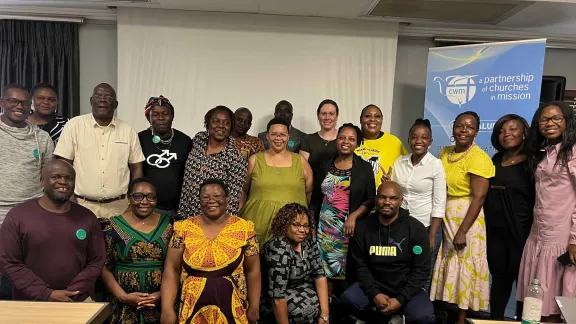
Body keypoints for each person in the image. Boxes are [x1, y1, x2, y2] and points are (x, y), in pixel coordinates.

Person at [0, 160, 105, 301]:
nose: (63, 181)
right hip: (30, 302)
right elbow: (8, 262)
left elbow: (97, 260)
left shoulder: (87, 217)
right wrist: (45, 294)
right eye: (56, 177)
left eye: (69, 178)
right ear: (42, 181)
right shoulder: (18, 215)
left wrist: (73, 291)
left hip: (77, 300)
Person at [160, 179, 260, 324]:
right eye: (205, 197)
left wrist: (254, 306)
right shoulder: (184, 228)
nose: (211, 201)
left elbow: (253, 270)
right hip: (191, 306)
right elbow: (171, 269)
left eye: (218, 196)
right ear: (199, 200)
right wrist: (167, 309)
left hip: (234, 306)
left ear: (227, 199)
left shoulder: (245, 229)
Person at [430, 111, 494, 324]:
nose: (463, 130)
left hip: (468, 217)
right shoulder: (445, 153)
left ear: (476, 131)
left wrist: (463, 231)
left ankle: (462, 317)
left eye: (469, 127)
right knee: (451, 264)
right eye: (459, 125)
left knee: (466, 265)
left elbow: (479, 196)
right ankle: (447, 312)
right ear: (453, 127)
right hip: (446, 215)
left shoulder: (479, 158)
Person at [342, 182, 434, 324]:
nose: (387, 202)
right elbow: (360, 265)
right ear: (376, 199)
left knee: (423, 316)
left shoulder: (416, 228)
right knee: (349, 299)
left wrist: (400, 299)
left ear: (401, 200)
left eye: (393, 198)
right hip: (374, 286)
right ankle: (380, 316)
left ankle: (397, 313)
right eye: (382, 197)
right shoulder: (363, 227)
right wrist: (374, 294)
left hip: (404, 288)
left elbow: (421, 270)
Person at [517, 102, 576, 321]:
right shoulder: (546, 152)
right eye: (544, 119)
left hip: (562, 237)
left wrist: (574, 239)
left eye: (556, 118)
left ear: (567, 122)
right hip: (539, 233)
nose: (549, 123)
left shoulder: (573, 151)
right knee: (537, 303)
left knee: (558, 303)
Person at [54, 83, 145, 219]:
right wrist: (70, 199)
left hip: (119, 207)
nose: (102, 99)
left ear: (115, 104)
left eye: (108, 97)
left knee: (117, 241)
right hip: (81, 204)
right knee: (83, 240)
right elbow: (63, 166)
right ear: (91, 101)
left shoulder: (128, 131)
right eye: (98, 96)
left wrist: (133, 202)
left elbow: (137, 168)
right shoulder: (74, 126)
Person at [101, 177, 173, 324]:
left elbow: (176, 267)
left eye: (150, 197)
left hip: (161, 305)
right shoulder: (111, 226)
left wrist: (163, 295)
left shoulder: (171, 224)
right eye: (138, 196)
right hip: (123, 308)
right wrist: (122, 297)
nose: (144, 202)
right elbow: (104, 268)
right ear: (129, 198)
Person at [483, 114, 533, 320]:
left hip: (522, 233)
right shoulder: (495, 160)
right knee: (499, 281)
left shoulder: (534, 161)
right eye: (502, 131)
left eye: (513, 129)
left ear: (524, 133)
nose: (507, 134)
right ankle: (495, 319)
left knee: (522, 284)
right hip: (495, 232)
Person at [314, 123, 375, 282]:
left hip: (348, 230)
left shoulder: (364, 168)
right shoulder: (325, 164)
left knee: (345, 275)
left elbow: (371, 199)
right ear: (336, 140)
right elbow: (315, 197)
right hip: (324, 230)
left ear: (357, 143)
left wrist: (353, 216)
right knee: (323, 273)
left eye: (351, 139)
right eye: (342, 137)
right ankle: (325, 303)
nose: (345, 142)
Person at [391, 118, 446, 291]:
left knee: (422, 272)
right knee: (400, 268)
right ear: (409, 140)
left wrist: (432, 235)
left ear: (430, 141)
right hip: (401, 226)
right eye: (414, 137)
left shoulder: (436, 165)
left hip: (425, 227)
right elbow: (393, 193)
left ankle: (418, 311)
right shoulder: (399, 162)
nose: (418, 141)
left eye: (424, 137)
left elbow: (439, 203)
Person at [240, 117, 313, 245]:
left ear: (288, 136)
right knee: (257, 263)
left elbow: (309, 192)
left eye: (282, 135)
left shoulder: (301, 161)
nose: (278, 138)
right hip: (257, 226)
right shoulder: (255, 160)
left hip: (293, 228)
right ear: (267, 136)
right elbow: (243, 190)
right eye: (274, 134)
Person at [261, 203, 330, 324]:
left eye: (306, 226)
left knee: (327, 300)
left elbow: (319, 274)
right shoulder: (279, 248)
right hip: (273, 298)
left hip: (300, 289)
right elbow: (277, 296)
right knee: (303, 310)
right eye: (296, 225)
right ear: (285, 225)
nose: (302, 230)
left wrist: (324, 315)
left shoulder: (308, 242)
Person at [177, 105, 247, 219]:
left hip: (210, 221)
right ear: (208, 123)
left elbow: (233, 201)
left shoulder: (236, 159)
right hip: (184, 214)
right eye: (216, 121)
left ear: (231, 127)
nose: (221, 126)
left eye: (226, 123)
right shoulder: (199, 140)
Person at [0, 83, 54, 226]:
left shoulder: (43, 138)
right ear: (2, 102)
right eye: (13, 101)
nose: (19, 106)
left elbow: (48, 175)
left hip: (32, 209)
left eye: (25, 103)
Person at [138, 95, 192, 219]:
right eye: (155, 114)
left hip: (179, 209)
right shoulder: (140, 139)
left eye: (165, 114)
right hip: (148, 208)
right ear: (148, 118)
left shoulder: (184, 140)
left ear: (172, 116)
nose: (161, 118)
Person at [300, 99, 339, 218]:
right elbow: (302, 170)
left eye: (331, 114)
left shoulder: (344, 139)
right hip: (313, 197)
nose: (327, 117)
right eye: (323, 113)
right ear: (318, 116)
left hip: (338, 198)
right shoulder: (309, 140)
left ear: (337, 116)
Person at [355, 104, 408, 189]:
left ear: (382, 120)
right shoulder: (351, 140)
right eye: (368, 116)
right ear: (361, 120)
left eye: (377, 116)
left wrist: (393, 182)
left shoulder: (394, 142)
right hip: (354, 196)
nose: (372, 119)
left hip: (382, 198)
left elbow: (408, 169)